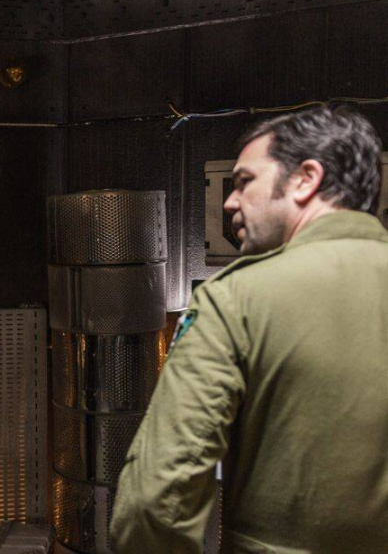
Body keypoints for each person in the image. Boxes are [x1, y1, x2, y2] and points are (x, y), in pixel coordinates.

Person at [110, 106, 388, 552]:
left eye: (244, 181)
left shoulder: (237, 298)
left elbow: (156, 502)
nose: (230, 201)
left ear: (306, 179)